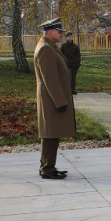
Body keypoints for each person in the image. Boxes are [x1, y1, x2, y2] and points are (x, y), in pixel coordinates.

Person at [34, 18, 76, 180]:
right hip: (51, 99)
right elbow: (50, 79)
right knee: (50, 134)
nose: (61, 35)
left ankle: (48, 166)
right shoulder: (45, 49)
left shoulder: (50, 47)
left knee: (52, 133)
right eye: (59, 32)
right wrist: (60, 102)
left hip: (52, 98)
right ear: (50, 32)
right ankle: (46, 168)